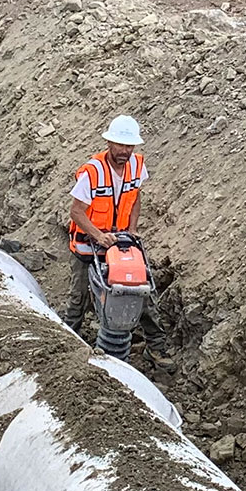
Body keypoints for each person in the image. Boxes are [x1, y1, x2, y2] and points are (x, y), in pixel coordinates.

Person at [68, 116, 147, 332]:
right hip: (88, 244)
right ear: (109, 143)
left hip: (120, 242)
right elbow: (76, 212)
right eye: (120, 145)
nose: (125, 151)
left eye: (129, 146)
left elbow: (136, 197)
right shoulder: (93, 172)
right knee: (79, 298)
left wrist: (132, 229)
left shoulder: (137, 165)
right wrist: (98, 236)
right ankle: (67, 339)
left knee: (139, 290)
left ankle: (154, 344)